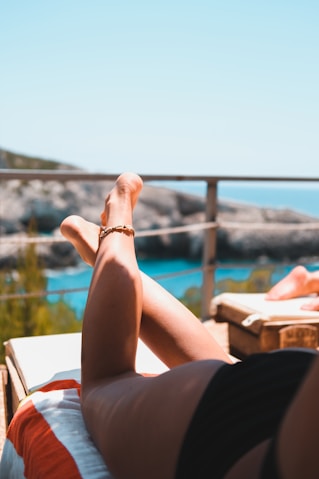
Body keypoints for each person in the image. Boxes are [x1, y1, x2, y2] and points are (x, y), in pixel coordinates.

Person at [60, 172, 319, 479]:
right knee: (106, 383)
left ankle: (111, 254)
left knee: (228, 370)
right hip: (269, 434)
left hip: (296, 385)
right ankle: (117, 225)